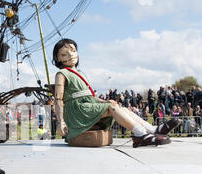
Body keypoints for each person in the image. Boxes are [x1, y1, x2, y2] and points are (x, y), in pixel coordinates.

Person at [52, 38, 180, 148]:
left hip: (86, 105)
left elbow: (89, 96)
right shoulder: (62, 74)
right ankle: (140, 134)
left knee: (115, 105)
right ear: (57, 58)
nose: (70, 55)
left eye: (73, 51)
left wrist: (106, 101)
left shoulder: (80, 73)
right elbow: (58, 99)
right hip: (77, 111)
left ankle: (152, 129)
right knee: (112, 106)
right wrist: (60, 121)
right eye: (64, 54)